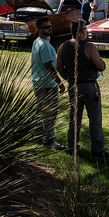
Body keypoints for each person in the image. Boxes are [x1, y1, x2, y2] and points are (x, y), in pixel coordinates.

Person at [57, 20, 109, 159]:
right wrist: (102, 62)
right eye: (85, 29)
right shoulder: (89, 46)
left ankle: (72, 146)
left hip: (73, 86)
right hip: (89, 86)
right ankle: (97, 150)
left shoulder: (62, 46)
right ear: (80, 32)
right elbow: (100, 66)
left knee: (74, 118)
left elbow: (59, 67)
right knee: (95, 119)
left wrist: (68, 78)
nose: (87, 32)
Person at [30, 15, 65, 148]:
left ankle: (37, 135)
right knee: (50, 113)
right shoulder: (44, 45)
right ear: (39, 29)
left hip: (38, 83)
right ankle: (49, 139)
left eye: (50, 26)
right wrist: (60, 83)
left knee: (41, 111)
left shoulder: (38, 42)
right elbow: (49, 67)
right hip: (47, 85)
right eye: (46, 27)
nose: (49, 29)